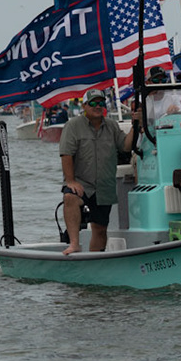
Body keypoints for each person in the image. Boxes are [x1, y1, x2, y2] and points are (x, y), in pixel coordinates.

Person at [59, 89, 140, 255]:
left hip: (104, 186)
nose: (98, 106)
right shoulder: (73, 126)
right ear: (84, 106)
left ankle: (95, 258)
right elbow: (66, 154)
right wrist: (71, 181)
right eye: (93, 103)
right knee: (70, 198)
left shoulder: (112, 125)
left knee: (100, 229)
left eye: (101, 103)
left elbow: (125, 146)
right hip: (81, 182)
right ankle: (74, 244)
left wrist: (135, 125)